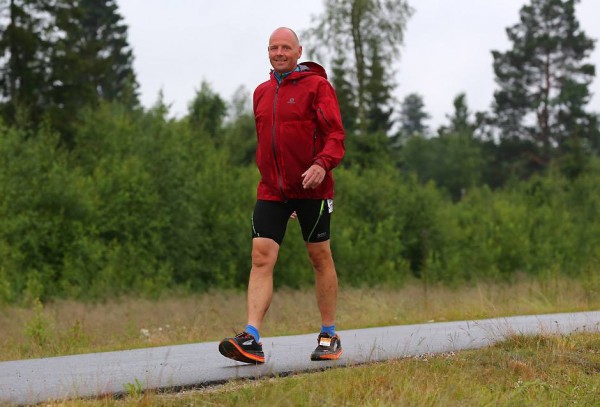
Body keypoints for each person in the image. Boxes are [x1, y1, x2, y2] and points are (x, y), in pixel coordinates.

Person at [218, 27, 345, 363]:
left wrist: (322, 163)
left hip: (312, 188)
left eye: (285, 47)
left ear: (299, 51)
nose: (278, 52)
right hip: (273, 190)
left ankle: (329, 334)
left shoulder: (318, 87)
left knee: (319, 258)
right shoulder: (261, 92)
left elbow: (336, 136)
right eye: (273, 47)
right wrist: (279, 182)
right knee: (261, 257)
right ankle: (252, 338)